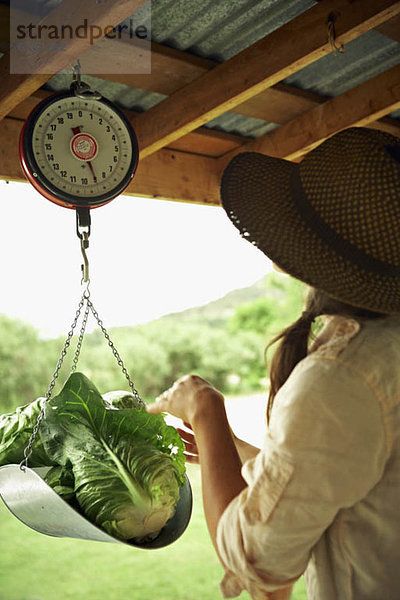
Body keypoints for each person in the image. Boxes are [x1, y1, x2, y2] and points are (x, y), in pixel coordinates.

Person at [147, 127, 400, 600]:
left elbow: (257, 560)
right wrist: (232, 450)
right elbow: (343, 478)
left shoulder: (340, 379)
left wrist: (204, 409)